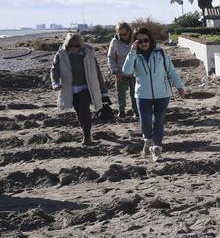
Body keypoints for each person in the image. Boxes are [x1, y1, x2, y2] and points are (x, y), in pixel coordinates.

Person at [122, 27, 186, 162]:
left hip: (162, 93)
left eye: (146, 40)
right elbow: (127, 71)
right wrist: (132, 53)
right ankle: (148, 140)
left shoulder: (160, 53)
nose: (144, 43)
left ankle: (157, 149)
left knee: (158, 121)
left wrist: (179, 86)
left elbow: (171, 71)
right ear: (135, 42)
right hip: (142, 94)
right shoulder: (134, 56)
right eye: (140, 41)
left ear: (150, 40)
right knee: (145, 121)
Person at [50, 33, 108, 145]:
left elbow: (97, 72)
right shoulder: (61, 55)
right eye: (70, 46)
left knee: (84, 110)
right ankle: (86, 133)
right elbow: (54, 70)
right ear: (67, 45)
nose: (73, 48)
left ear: (80, 45)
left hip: (86, 88)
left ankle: (87, 136)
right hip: (71, 90)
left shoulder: (88, 54)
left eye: (76, 46)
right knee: (79, 113)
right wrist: (55, 83)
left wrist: (103, 91)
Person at [107, 22, 138, 119]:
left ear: (129, 32)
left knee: (135, 93)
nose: (122, 36)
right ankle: (121, 111)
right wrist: (115, 71)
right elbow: (110, 57)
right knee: (121, 93)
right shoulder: (115, 42)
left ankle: (136, 111)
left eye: (124, 34)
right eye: (120, 34)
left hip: (134, 72)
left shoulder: (135, 40)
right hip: (120, 72)